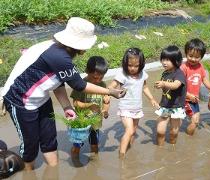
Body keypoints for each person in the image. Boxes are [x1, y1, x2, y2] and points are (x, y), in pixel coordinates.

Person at [1, 17, 125, 170]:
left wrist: (67, 107)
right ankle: (28, 173)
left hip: (41, 99)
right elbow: (79, 85)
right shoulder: (59, 57)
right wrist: (110, 91)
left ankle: (54, 172)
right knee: (30, 146)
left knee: (50, 140)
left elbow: (57, 82)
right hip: (20, 101)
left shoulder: (59, 52)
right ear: (78, 45)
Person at [108, 47, 159, 158]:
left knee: (133, 131)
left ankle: (129, 150)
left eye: (136, 66)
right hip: (125, 107)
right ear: (125, 63)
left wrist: (152, 99)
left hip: (137, 108)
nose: (133, 68)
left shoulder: (142, 74)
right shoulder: (122, 74)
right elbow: (111, 86)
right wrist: (109, 95)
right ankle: (121, 156)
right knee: (129, 130)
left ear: (141, 65)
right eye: (130, 65)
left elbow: (145, 87)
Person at [70, 56, 110, 156]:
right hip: (82, 123)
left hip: (95, 123)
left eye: (102, 77)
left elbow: (106, 101)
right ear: (87, 71)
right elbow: (75, 103)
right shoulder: (81, 85)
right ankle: (75, 162)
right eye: (95, 77)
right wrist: (89, 105)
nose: (98, 80)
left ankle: (94, 167)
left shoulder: (102, 85)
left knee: (94, 146)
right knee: (77, 147)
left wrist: (105, 110)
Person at [180, 38, 210, 136]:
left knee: (196, 120)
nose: (193, 59)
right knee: (194, 121)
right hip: (185, 99)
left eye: (197, 57)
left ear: (201, 57)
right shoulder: (184, 68)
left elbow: (204, 79)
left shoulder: (200, 67)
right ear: (186, 53)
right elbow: (179, 85)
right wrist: (188, 95)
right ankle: (189, 139)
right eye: (190, 56)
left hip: (194, 99)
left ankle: (189, 138)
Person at [154, 45, 186, 146]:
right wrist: (159, 86)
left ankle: (172, 147)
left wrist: (164, 84)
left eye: (167, 60)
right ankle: (160, 149)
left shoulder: (179, 73)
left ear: (176, 61)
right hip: (165, 105)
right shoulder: (165, 73)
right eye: (163, 59)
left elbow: (176, 85)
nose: (164, 62)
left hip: (176, 107)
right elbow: (165, 88)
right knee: (160, 131)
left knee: (173, 132)